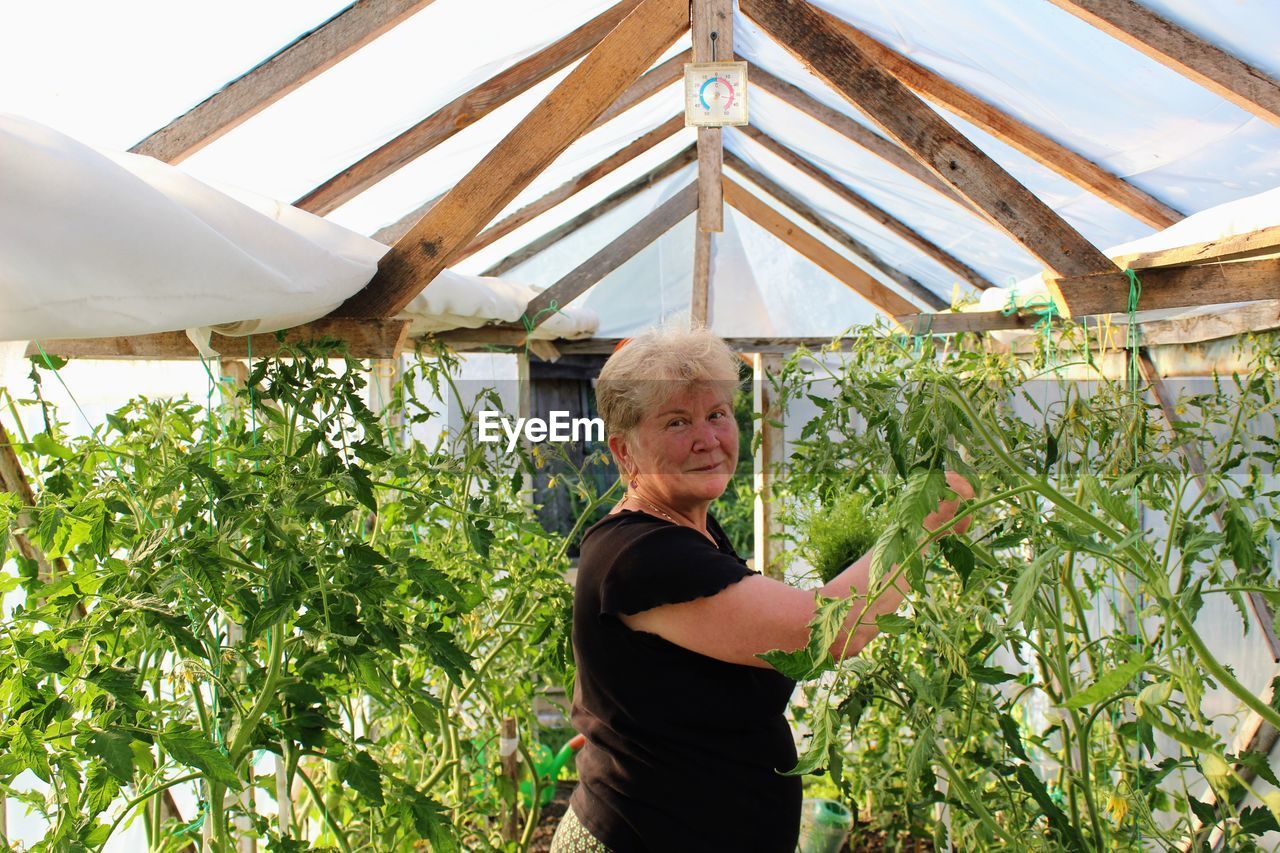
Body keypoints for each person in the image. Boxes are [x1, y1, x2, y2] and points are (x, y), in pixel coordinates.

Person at [551, 327, 973, 853]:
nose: (707, 438)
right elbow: (823, 632)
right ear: (625, 450)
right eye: (677, 422)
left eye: (717, 414)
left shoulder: (687, 527)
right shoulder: (644, 553)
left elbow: (627, 676)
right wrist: (925, 522)